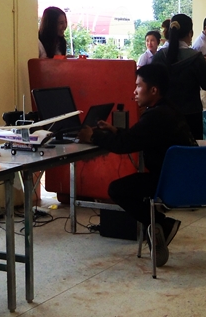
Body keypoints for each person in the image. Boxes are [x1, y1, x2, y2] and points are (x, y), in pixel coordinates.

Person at [78, 64, 195, 267]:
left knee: (117, 189)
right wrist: (115, 131)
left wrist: (93, 136)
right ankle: (160, 224)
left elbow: (124, 146)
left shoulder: (155, 116)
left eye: (139, 86)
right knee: (131, 186)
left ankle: (161, 223)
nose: (134, 91)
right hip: (183, 178)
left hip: (167, 182)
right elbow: (136, 137)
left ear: (153, 90)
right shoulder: (169, 110)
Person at [151, 14, 206, 139]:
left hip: (163, 114)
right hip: (191, 116)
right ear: (190, 33)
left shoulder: (159, 56)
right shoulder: (196, 57)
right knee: (190, 150)